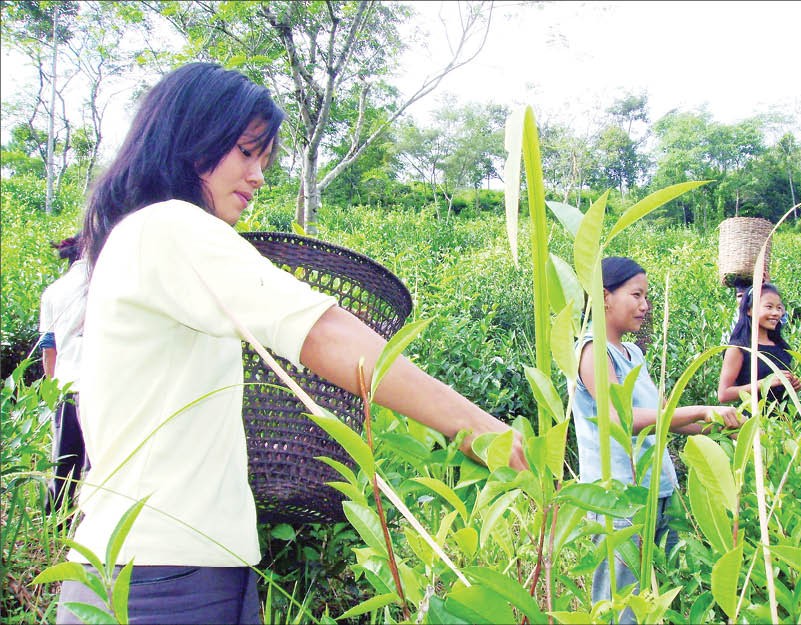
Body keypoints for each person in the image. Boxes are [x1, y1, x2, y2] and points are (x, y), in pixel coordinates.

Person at [57, 62, 527, 625]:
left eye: (264, 158)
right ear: (190, 143)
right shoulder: (169, 227)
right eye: (245, 151)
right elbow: (322, 333)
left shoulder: (139, 236)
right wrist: (484, 430)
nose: (257, 175)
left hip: (169, 568)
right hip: (160, 578)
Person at [572, 257, 741, 624]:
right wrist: (699, 409)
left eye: (646, 296)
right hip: (619, 498)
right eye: (636, 294)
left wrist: (721, 428)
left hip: (659, 490)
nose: (645, 305)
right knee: (622, 603)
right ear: (604, 297)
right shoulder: (591, 350)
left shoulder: (633, 354)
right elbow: (618, 420)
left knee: (657, 596)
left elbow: (668, 419)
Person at [38, 235, 89, 517]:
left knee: (63, 460)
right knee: (97, 461)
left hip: (66, 384)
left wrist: (52, 388)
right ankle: (88, 525)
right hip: (99, 385)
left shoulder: (54, 291)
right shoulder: (102, 285)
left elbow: (49, 349)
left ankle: (54, 519)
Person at [718, 283, 801, 406]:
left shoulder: (780, 346)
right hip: (754, 420)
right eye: (769, 307)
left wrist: (794, 384)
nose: (776, 313)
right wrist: (764, 383)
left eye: (779, 308)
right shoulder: (738, 348)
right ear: (749, 310)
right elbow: (724, 395)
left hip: (785, 422)